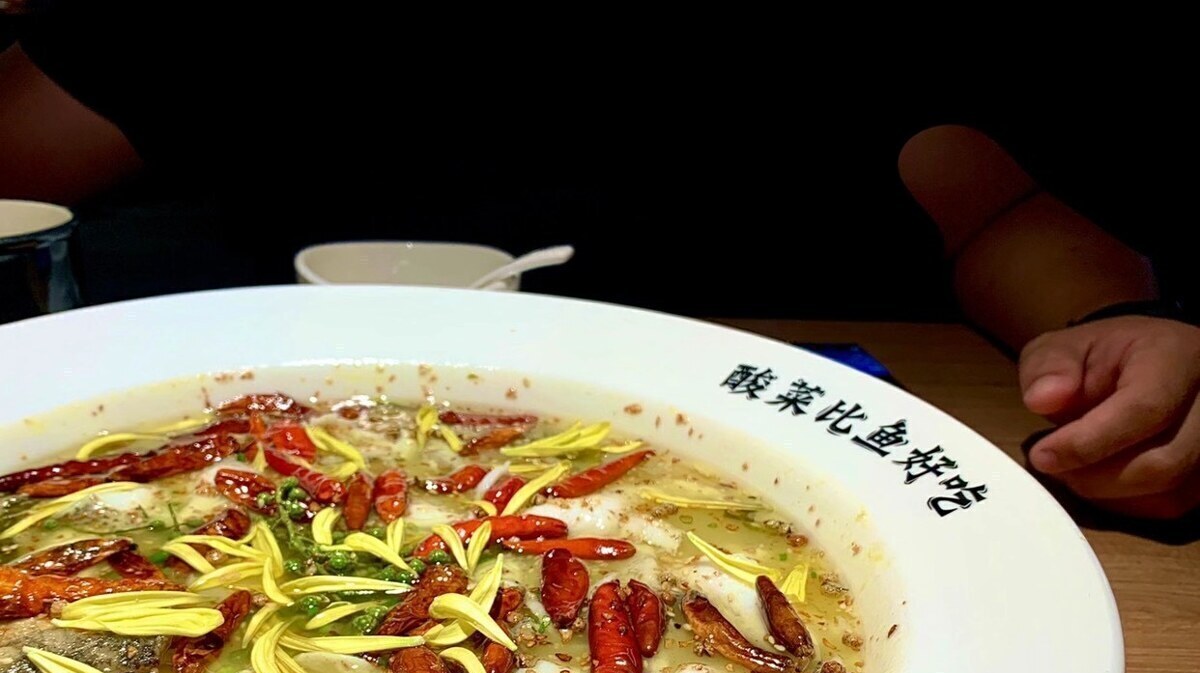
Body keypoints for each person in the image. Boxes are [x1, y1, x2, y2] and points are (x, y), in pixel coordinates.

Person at [1, 13, 1196, 518]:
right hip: (268, 444)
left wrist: (1120, 322)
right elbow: (34, 136)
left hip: (684, 457)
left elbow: (990, 206)